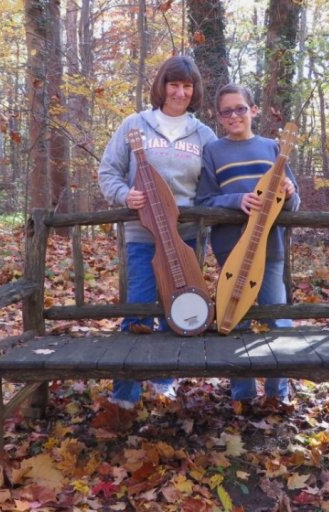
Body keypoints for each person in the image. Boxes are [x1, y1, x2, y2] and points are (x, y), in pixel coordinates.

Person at [98, 55, 216, 409]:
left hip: (187, 240)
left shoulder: (204, 134)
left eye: (187, 86)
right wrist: (125, 195)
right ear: (162, 86)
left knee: (178, 310)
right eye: (173, 84)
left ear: (194, 91)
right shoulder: (135, 125)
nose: (180, 92)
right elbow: (109, 172)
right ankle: (125, 395)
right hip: (142, 237)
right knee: (138, 312)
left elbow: (214, 185)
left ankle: (164, 381)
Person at [196, 83, 300, 408]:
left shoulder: (273, 149)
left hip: (270, 251)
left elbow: (294, 206)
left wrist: (290, 191)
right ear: (219, 117)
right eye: (227, 111)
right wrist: (235, 200)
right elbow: (204, 201)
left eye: (240, 108)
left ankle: (276, 393)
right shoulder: (213, 151)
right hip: (230, 248)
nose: (234, 116)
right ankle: (242, 394)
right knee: (234, 319)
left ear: (253, 110)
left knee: (276, 318)